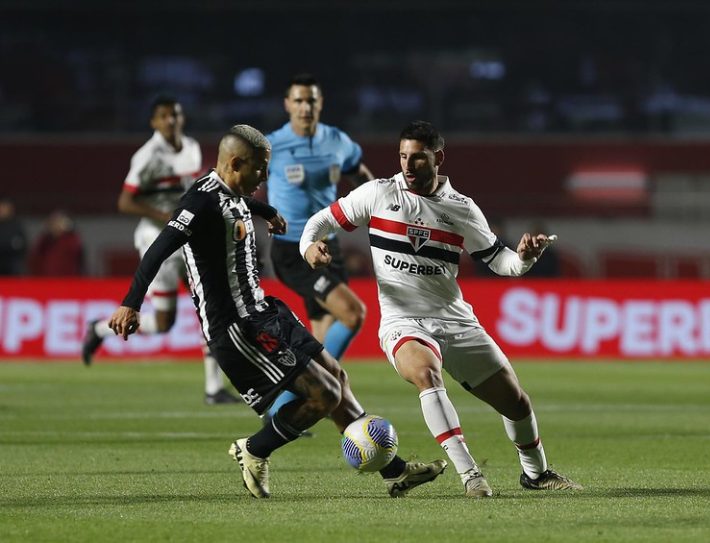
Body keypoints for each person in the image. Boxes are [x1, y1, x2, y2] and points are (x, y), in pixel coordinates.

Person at [107, 125, 446, 499]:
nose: (265, 177)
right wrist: (131, 302)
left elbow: (236, 204)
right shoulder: (198, 203)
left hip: (265, 310)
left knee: (338, 377)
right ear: (236, 164)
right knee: (324, 395)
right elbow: (159, 247)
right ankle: (254, 449)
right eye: (260, 168)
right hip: (238, 327)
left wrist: (267, 211)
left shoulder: (227, 190)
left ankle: (394, 472)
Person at [300, 120, 582, 498]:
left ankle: (536, 473)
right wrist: (309, 247)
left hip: (454, 319)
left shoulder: (461, 209)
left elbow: (502, 262)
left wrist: (525, 258)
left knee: (515, 402)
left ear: (438, 158)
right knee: (426, 375)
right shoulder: (379, 194)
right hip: (403, 321)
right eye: (403, 157)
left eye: (417, 158)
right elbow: (321, 220)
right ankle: (471, 476)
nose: (408, 166)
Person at [82, 95, 237, 405]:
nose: (171, 121)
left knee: (212, 306)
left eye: (175, 115)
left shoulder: (192, 147)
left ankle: (213, 388)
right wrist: (168, 218)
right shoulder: (147, 156)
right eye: (164, 116)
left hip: (191, 238)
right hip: (158, 240)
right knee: (164, 323)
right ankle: (100, 329)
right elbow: (125, 201)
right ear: (154, 122)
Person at [263, 74, 374, 421]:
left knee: (322, 343)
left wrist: (380, 209)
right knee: (353, 314)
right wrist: (262, 212)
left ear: (320, 103)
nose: (305, 107)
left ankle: (280, 411)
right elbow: (241, 184)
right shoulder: (271, 145)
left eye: (311, 100)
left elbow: (362, 179)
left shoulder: (338, 141)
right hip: (292, 249)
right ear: (287, 105)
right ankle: (311, 398)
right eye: (298, 101)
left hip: (330, 247)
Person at [27, 210, 84, 276]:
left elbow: (77, 256)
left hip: (66, 281)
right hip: (45, 280)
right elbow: (34, 259)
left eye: (59, 222)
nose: (55, 225)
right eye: (53, 222)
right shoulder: (44, 240)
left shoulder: (71, 240)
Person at [0, 196, 27, 275]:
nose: (2, 210)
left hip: (11, 267)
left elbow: (20, 246)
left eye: (4, 208)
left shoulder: (16, 226)